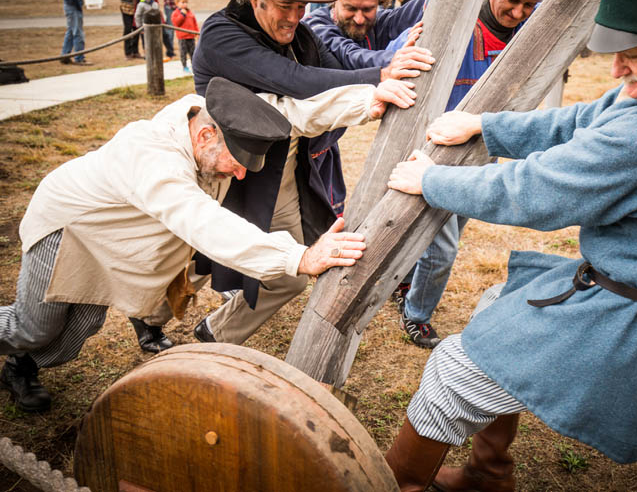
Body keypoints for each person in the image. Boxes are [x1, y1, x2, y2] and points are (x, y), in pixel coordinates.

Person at [382, 0, 637, 490]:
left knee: (453, 373)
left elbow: (535, 193)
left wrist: (431, 182)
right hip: (636, 287)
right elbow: (589, 116)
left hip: (631, 316)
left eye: (631, 55)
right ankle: (487, 477)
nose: (615, 69)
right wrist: (487, 127)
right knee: (497, 306)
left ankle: (401, 484)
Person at [0, 74, 416, 412]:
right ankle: (21, 352)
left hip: (107, 237)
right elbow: (204, 224)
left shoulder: (217, 115)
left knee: (80, 328)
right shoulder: (153, 158)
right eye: (232, 165)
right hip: (68, 227)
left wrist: (365, 100)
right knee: (33, 326)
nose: (237, 177)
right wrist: (299, 256)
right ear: (204, 139)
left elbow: (289, 112)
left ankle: (19, 364)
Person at [310, 0, 549, 349]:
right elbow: (394, 49)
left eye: (530, 5)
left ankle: (405, 281)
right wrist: (391, 60)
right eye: (513, 1)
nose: (519, 13)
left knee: (452, 226)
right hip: (432, 150)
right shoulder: (455, 22)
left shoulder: (528, 31)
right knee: (442, 244)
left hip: (479, 149)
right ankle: (417, 313)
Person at [191, 0, 430, 345]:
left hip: (277, 172)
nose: (294, 17)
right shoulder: (221, 34)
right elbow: (295, 82)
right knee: (191, 257)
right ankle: (152, 314)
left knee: (291, 272)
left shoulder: (300, 35)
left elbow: (340, 64)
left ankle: (215, 333)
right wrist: (380, 75)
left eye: (300, 6)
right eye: (285, 6)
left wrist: (383, 67)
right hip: (218, 169)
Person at [171, 0, 198, 74]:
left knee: (193, 52)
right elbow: (176, 23)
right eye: (182, 2)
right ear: (177, 3)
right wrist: (182, 15)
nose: (185, 4)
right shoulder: (175, 13)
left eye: (186, 2)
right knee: (183, 53)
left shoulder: (190, 12)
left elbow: (194, 23)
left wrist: (196, 32)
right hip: (182, 37)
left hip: (191, 36)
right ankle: (184, 66)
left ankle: (194, 66)